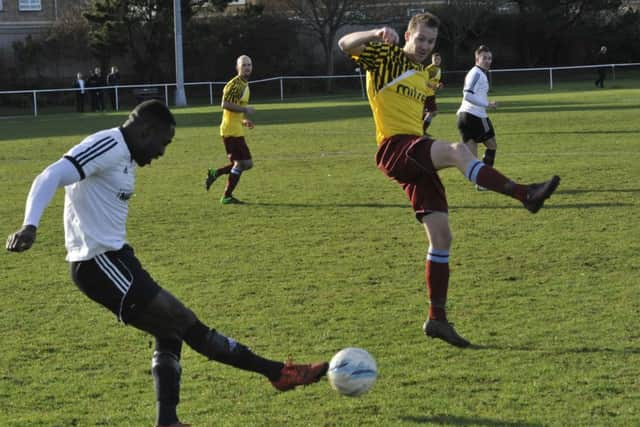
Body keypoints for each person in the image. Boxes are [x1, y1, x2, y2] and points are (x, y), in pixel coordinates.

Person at [5, 100, 328, 427]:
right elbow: (51, 175)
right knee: (180, 319)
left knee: (169, 330)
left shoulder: (127, 156)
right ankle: (278, 372)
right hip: (96, 262)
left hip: (118, 257)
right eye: (163, 143)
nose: (161, 152)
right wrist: (29, 225)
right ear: (146, 131)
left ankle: (168, 421)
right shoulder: (106, 144)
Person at [338, 12, 560, 348]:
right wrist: (375, 32)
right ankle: (524, 194)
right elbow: (344, 44)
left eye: (431, 41)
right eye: (421, 39)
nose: (425, 46)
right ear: (408, 36)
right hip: (395, 147)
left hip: (414, 149)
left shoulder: (426, 73)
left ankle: (437, 319)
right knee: (459, 152)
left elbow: (424, 109)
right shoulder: (386, 56)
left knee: (442, 238)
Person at [205, 55, 256, 204]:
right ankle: (226, 196)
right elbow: (225, 104)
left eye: (249, 65)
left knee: (246, 164)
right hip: (230, 131)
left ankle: (216, 173)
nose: (247, 67)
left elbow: (234, 110)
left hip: (236, 129)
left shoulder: (245, 85)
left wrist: (243, 120)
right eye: (244, 65)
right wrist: (245, 109)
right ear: (238, 68)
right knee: (243, 163)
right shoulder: (235, 85)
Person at [456, 45, 498, 191]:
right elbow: (467, 94)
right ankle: (484, 182)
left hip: (463, 116)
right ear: (477, 59)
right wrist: (487, 104)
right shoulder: (477, 73)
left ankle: (480, 182)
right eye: (484, 58)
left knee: (472, 157)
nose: (488, 61)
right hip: (475, 115)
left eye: (490, 58)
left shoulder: (478, 73)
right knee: (492, 145)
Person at [423, 52, 444, 135]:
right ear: (432, 60)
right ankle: (422, 130)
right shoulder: (431, 69)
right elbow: (423, 80)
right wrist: (433, 86)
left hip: (430, 94)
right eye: (435, 59)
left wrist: (438, 85)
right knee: (433, 112)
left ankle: (421, 128)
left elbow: (433, 81)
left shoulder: (438, 69)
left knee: (431, 113)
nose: (437, 61)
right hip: (427, 94)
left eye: (438, 59)